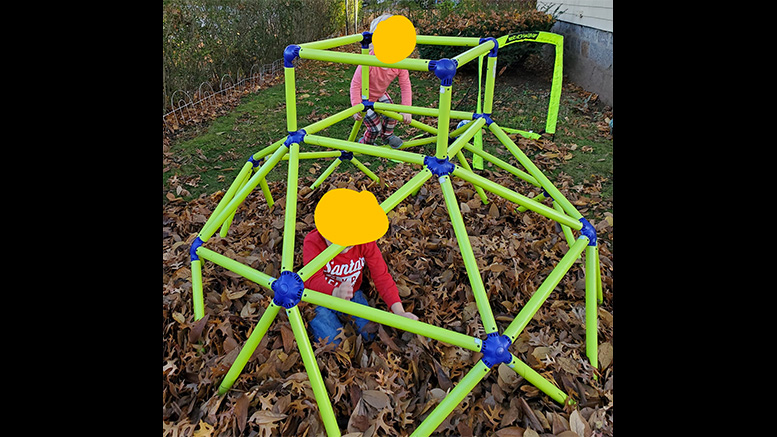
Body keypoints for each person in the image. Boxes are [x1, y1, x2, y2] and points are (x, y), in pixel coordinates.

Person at [303, 228, 418, 346]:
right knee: (332, 341)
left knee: (369, 333)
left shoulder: (364, 240)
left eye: (349, 245)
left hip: (351, 294)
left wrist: (399, 311)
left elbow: (382, 277)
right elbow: (311, 279)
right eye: (334, 242)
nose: (342, 249)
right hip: (319, 298)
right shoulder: (313, 242)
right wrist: (335, 292)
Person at [349, 14, 413, 149]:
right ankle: (366, 143)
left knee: (392, 114)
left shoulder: (399, 62)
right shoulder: (369, 61)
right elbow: (355, 84)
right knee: (375, 128)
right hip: (363, 97)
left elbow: (405, 86)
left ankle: (387, 136)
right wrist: (356, 105)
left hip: (379, 94)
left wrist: (406, 109)